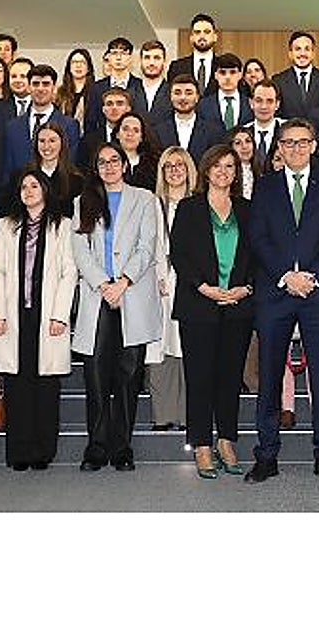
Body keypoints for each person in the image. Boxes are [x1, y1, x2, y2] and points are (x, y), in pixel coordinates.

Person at [245, 118, 319, 483]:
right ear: (279, 147)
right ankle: (266, 455)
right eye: (288, 143)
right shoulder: (264, 186)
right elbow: (257, 237)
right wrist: (286, 276)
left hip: (318, 294)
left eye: (303, 142)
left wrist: (312, 276)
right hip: (276, 293)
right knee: (270, 376)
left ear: (314, 145)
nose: (296, 148)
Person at [72, 143, 161, 472]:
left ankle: (122, 447)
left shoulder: (145, 199)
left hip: (131, 294)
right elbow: (80, 249)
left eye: (114, 161)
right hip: (98, 296)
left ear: (125, 164)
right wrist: (103, 284)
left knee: (127, 378)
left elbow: (147, 246)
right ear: (96, 168)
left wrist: (123, 281)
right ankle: (95, 447)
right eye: (102, 162)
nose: (108, 167)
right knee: (95, 378)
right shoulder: (83, 202)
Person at [171, 144, 256, 478]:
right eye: (217, 166)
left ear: (237, 173)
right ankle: (202, 445)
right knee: (200, 377)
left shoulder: (247, 210)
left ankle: (227, 441)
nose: (223, 171)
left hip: (238, 305)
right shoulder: (189, 208)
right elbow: (179, 254)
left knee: (229, 378)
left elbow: (258, 254)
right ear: (206, 171)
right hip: (198, 306)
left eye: (230, 166)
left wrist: (246, 287)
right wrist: (203, 287)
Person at [0, 168, 76, 471]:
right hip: (14, 317)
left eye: (34, 185)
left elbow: (69, 273)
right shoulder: (6, 225)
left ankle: (43, 452)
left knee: (46, 386)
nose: (28, 191)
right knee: (17, 386)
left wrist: (60, 315)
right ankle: (19, 452)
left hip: (47, 316)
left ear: (46, 190)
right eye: (23, 186)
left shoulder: (62, 226)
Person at [145, 148, 196, 431]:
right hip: (159, 284)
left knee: (189, 350)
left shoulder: (200, 203)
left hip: (192, 284)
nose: (175, 170)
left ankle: (190, 415)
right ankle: (164, 415)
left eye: (180, 165)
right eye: (168, 166)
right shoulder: (151, 204)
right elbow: (147, 245)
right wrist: (158, 274)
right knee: (161, 351)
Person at [272, 31, 319, 117]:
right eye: (298, 49)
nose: (302, 54)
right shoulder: (278, 80)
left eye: (307, 49)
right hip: (289, 129)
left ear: (313, 53)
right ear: (290, 54)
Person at [114, 111, 162, 190]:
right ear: (117, 134)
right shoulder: (107, 161)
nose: (130, 134)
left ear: (141, 138)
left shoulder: (154, 164)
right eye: (125, 129)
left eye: (136, 130)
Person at [57, 47, 96, 128]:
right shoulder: (60, 92)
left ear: (88, 68)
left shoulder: (95, 91)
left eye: (82, 62)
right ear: (69, 67)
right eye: (74, 62)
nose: (78, 65)